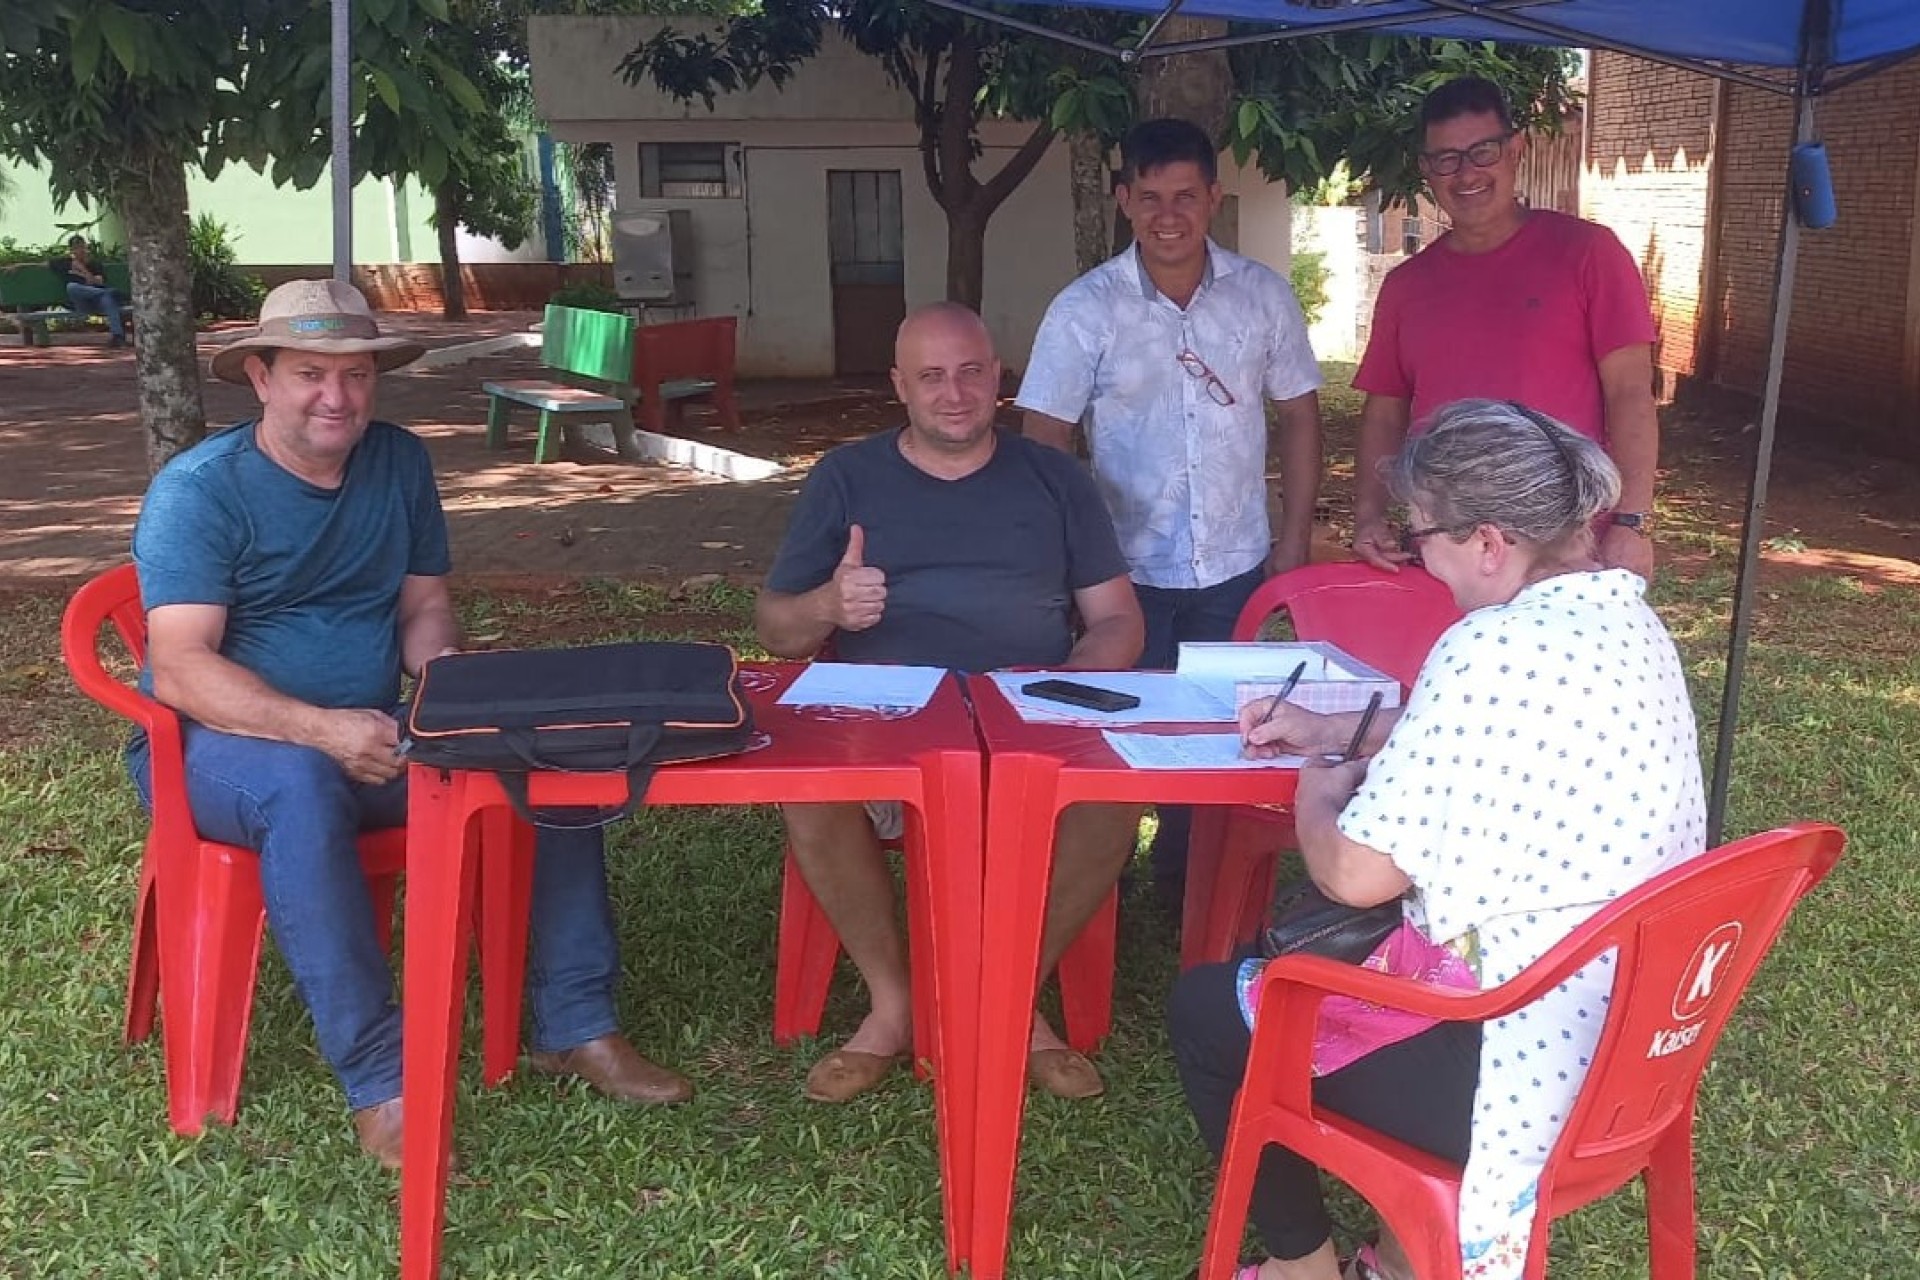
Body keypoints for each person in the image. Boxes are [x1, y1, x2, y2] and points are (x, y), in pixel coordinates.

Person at [128, 279, 692, 1170]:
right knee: (303, 789)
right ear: (261, 377)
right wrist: (319, 730)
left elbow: (423, 608)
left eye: (356, 375)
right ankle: (380, 1083)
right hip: (219, 749)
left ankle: (576, 1026)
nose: (336, 397)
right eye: (311, 373)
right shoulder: (201, 489)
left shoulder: (397, 462)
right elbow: (183, 667)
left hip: (373, 728)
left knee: (544, 764)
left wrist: (456, 705)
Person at [1169, 399, 1706, 1280]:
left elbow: (1352, 876)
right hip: (1638, 1044)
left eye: (1423, 538)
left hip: (1513, 1063)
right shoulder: (1625, 621)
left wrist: (1319, 786)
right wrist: (1334, 728)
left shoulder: (1487, 645)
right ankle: (1402, 1259)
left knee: (1206, 1007)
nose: (1422, 560)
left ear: (1489, 542)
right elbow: (1488, 741)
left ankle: (1303, 1269)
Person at [758, 302, 1145, 1103]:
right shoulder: (847, 477)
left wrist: (1058, 695)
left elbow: (1116, 622)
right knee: (809, 793)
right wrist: (828, 606)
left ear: (998, 377)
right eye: (931, 376)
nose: (955, 393)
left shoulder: (1055, 478)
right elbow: (775, 630)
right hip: (883, 737)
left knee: (1113, 801)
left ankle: (1011, 997)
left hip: (1024, 732)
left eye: (971, 372)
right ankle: (894, 1006)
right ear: (900, 386)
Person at [1019, 117, 1325, 908]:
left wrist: (1292, 539)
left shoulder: (1261, 297)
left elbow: (1298, 414)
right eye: (1149, 196)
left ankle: (1188, 887)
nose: (1168, 214)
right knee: (1114, 726)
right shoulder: (1086, 308)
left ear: (1213, 199)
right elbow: (1046, 438)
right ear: (1124, 200)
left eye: (1185, 195)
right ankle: (1099, 886)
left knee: (1226, 730)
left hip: (1235, 561)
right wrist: (1064, 559)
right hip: (1119, 574)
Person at [1351, 76, 1660, 583]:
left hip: (1565, 546)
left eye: (1483, 151)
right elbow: (1384, 413)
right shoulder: (1407, 285)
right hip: (1448, 554)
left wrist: (1632, 520)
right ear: (1427, 169)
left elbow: (1630, 392)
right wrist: (1369, 516)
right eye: (1446, 158)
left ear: (1516, 149)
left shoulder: (1588, 254)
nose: (1466, 172)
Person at [50, 235, 129, 347]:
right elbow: (41, 265)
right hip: (81, 304)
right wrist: (19, 266)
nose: (80, 250)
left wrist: (85, 273)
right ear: (71, 250)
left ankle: (118, 337)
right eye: (76, 248)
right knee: (72, 287)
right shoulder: (63, 263)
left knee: (108, 301)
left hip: (98, 301)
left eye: (82, 247)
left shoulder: (94, 264)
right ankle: (109, 292)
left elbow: (99, 282)